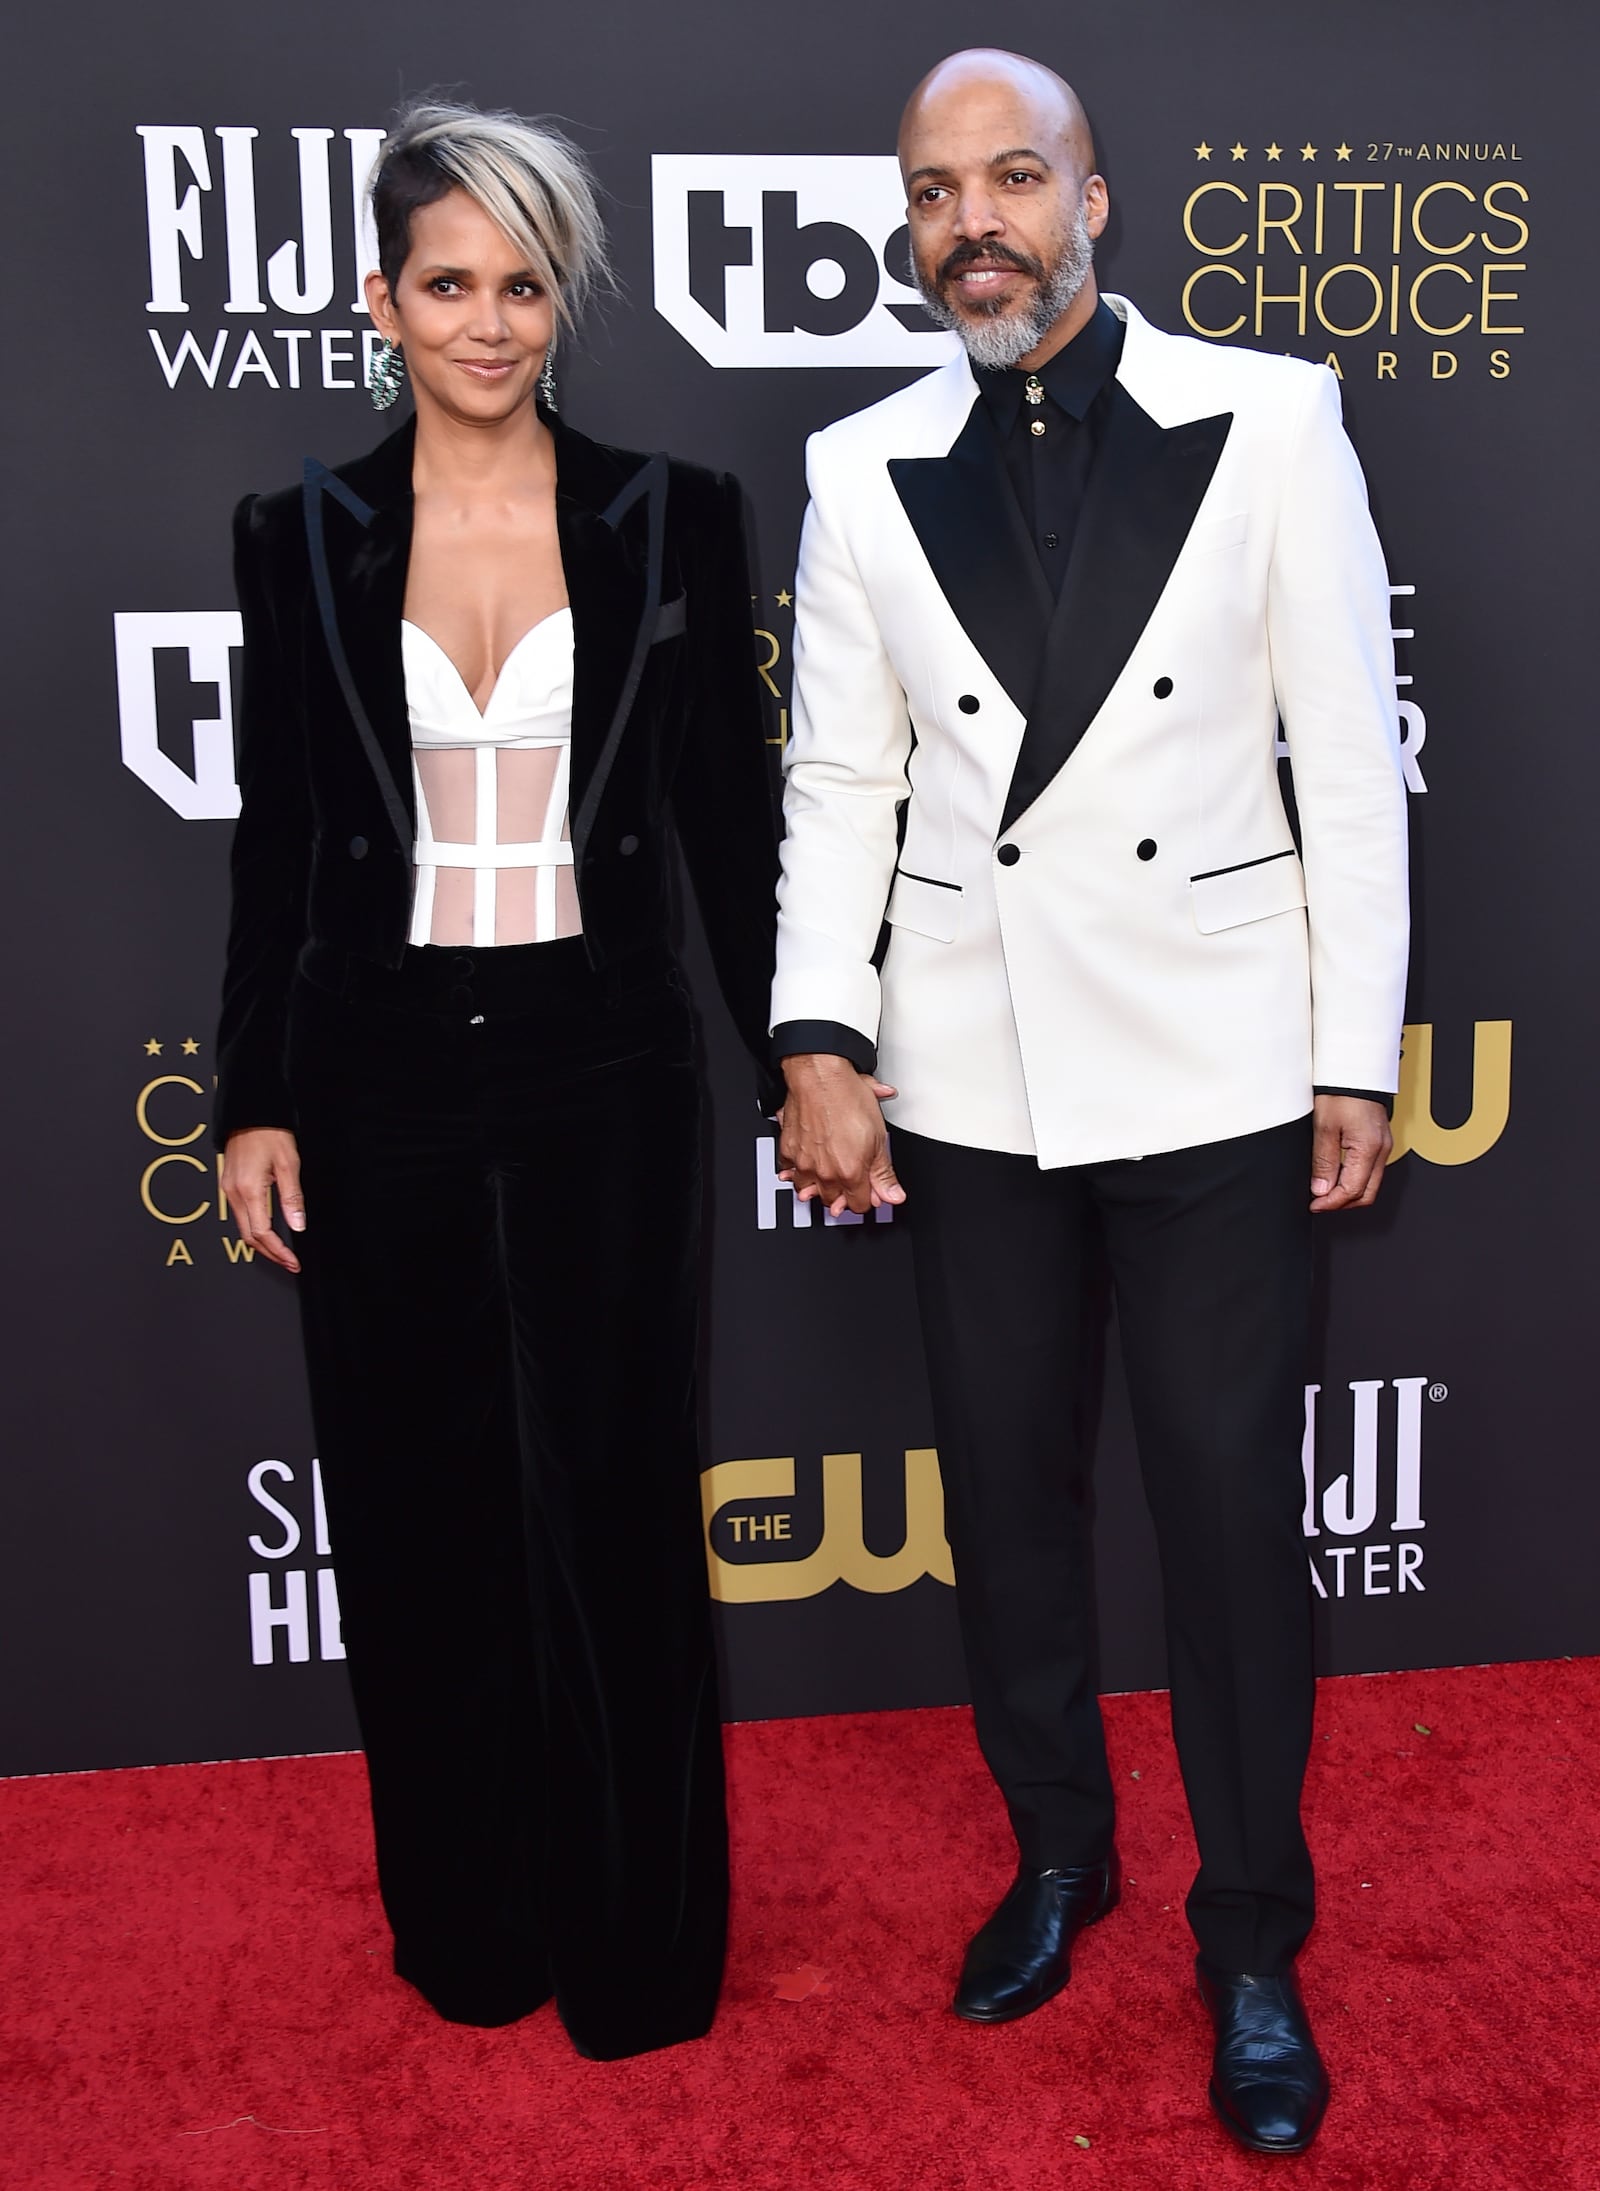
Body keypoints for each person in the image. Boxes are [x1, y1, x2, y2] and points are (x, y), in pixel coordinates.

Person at [772, 49, 1407, 2155]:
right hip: (973, 1067)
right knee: (1008, 1496)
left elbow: (1345, 749)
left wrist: (1347, 1044)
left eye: (1012, 178)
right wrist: (817, 1036)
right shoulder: (857, 464)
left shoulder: (1267, 417)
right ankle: (1060, 1849)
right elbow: (840, 779)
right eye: (936, 188)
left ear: (1094, 201)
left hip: (1217, 1053)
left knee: (1226, 1518)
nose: (976, 219)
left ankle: (1247, 1933)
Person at [215, 101, 780, 2062]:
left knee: (617, 1503)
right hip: (376, 1061)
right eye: (446, 282)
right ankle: (472, 1926)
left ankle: (639, 1956)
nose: (485, 321)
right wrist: (253, 1098)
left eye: (521, 282)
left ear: (563, 297)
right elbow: (277, 836)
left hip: (605, 1051)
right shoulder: (296, 532)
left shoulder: (669, 512)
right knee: (419, 1505)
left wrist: (806, 1049)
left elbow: (732, 820)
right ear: (379, 302)